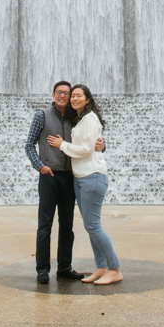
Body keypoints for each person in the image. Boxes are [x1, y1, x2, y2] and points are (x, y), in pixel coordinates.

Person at [25, 80, 105, 284]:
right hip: (49, 176)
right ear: (53, 95)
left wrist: (103, 146)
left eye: (67, 93)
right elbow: (29, 145)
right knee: (45, 225)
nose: (63, 96)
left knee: (67, 226)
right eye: (59, 92)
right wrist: (40, 166)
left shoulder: (76, 118)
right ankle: (42, 269)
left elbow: (90, 141)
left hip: (70, 178)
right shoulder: (41, 116)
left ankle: (64, 267)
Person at [47, 84, 122, 286]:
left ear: (88, 99)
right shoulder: (80, 121)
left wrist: (61, 145)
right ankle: (101, 267)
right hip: (81, 178)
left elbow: (87, 150)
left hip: (93, 176)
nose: (74, 98)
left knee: (93, 225)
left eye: (79, 95)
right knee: (91, 226)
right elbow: (92, 144)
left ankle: (114, 268)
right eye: (73, 96)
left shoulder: (90, 119)